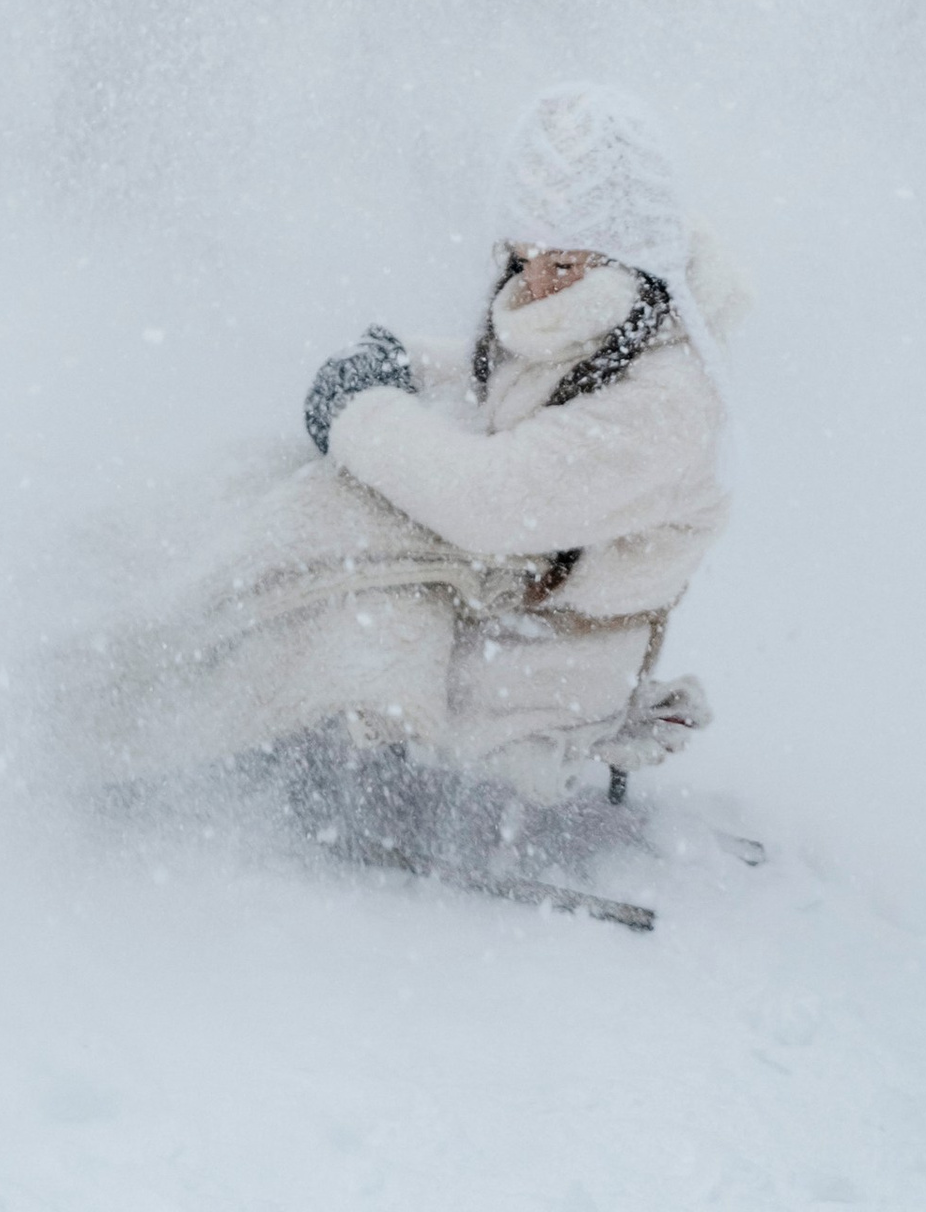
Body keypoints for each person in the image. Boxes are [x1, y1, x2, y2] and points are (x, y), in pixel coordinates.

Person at [62, 82, 744, 823]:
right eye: (522, 259)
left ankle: (108, 709)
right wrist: (403, 365)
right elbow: (509, 377)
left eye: (565, 265)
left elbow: (495, 503)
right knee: (269, 472)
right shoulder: (610, 318)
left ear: (632, 259)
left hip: (531, 672)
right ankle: (78, 596)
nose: (537, 286)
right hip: (501, 603)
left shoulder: (669, 402)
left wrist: (361, 408)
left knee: (333, 525)